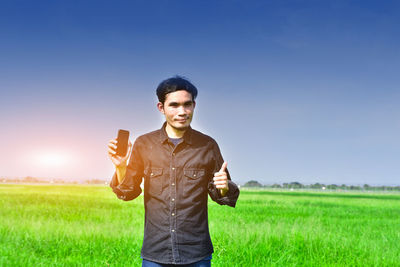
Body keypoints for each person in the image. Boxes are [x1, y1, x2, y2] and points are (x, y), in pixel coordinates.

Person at [107, 76, 240, 266]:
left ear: (194, 105)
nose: (182, 112)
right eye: (174, 105)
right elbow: (128, 192)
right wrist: (120, 166)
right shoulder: (144, 144)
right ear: (161, 107)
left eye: (187, 105)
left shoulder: (207, 145)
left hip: (196, 253)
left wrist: (224, 187)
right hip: (156, 252)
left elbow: (221, 195)